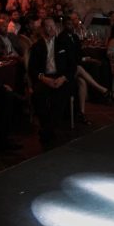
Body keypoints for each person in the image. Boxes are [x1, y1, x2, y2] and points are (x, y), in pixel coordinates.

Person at [28, 17, 75, 147]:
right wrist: (44, 78)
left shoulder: (63, 42)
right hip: (45, 77)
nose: (52, 28)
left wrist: (63, 78)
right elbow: (32, 69)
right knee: (37, 96)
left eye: (53, 26)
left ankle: (46, 130)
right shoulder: (37, 46)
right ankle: (48, 129)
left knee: (60, 97)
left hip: (61, 77)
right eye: (48, 26)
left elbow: (72, 65)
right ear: (43, 29)